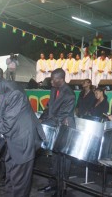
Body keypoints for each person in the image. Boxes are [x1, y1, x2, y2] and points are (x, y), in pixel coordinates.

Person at [0, 62, 45, 197]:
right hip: (10, 139)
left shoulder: (13, 93)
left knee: (19, 184)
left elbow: (6, 124)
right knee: (11, 179)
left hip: (23, 140)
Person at [38, 68, 75, 197]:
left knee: (63, 160)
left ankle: (62, 188)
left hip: (64, 126)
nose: (51, 81)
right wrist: (42, 118)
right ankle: (52, 183)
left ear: (61, 79)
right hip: (54, 124)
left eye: (53, 79)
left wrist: (46, 123)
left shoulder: (69, 94)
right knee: (54, 157)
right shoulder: (54, 89)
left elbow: (61, 115)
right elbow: (49, 107)